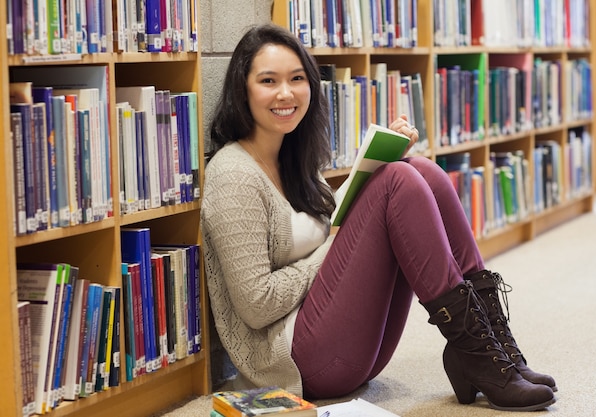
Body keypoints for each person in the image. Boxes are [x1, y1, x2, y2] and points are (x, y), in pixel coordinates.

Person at [201, 23, 557, 412]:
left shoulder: (293, 157)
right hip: (296, 364)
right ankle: (474, 353)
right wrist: (337, 244)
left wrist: (370, 168)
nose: (285, 93)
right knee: (398, 179)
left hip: (352, 347)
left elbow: (328, 229)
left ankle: (489, 348)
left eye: (297, 78)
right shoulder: (232, 174)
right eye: (268, 80)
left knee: (422, 171)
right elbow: (256, 305)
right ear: (243, 89)